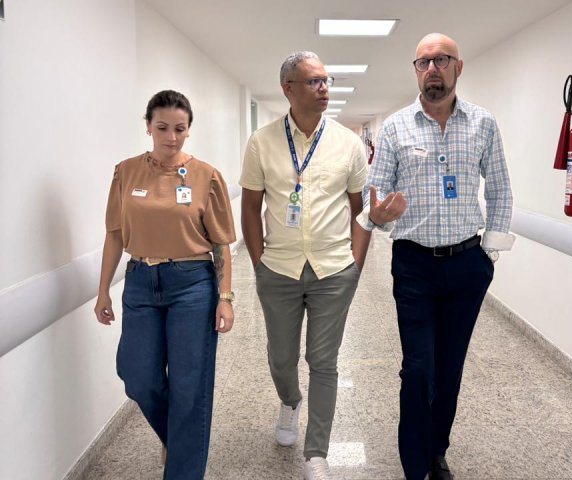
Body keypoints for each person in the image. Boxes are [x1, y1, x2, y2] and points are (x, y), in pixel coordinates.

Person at [358, 33, 515, 480]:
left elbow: (500, 188)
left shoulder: (483, 124)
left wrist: (488, 255)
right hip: (414, 265)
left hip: (467, 264)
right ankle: (414, 465)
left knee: (449, 368)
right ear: (415, 71)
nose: (431, 69)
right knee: (418, 368)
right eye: (422, 62)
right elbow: (374, 197)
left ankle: (436, 451)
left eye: (441, 60)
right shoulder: (395, 128)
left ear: (457, 68)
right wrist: (378, 215)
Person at [94, 90, 236, 480]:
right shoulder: (126, 172)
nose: (171, 137)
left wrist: (225, 297)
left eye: (179, 128)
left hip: (192, 285)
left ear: (189, 130)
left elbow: (221, 243)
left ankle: (183, 468)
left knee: (190, 386)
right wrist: (103, 289)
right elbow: (114, 233)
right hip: (140, 281)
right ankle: (179, 439)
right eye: (162, 128)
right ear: (148, 127)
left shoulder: (207, 176)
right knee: (137, 375)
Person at [240, 51, 369, 480]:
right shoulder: (262, 142)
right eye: (313, 81)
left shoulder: (348, 144)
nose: (323, 88)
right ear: (288, 89)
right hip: (279, 269)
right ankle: (290, 400)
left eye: (326, 80)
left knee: (323, 360)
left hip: (334, 270)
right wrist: (259, 264)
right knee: (281, 358)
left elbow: (360, 210)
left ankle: (316, 453)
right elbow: (250, 208)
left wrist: (355, 265)